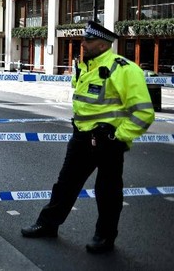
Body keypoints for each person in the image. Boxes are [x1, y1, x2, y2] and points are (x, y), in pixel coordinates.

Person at [21, 20, 155, 253]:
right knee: (64, 185)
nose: (83, 44)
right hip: (81, 138)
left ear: (102, 45)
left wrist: (118, 137)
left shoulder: (124, 69)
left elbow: (144, 112)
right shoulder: (86, 67)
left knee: (108, 192)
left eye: (88, 41)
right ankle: (47, 224)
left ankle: (104, 237)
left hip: (109, 142)